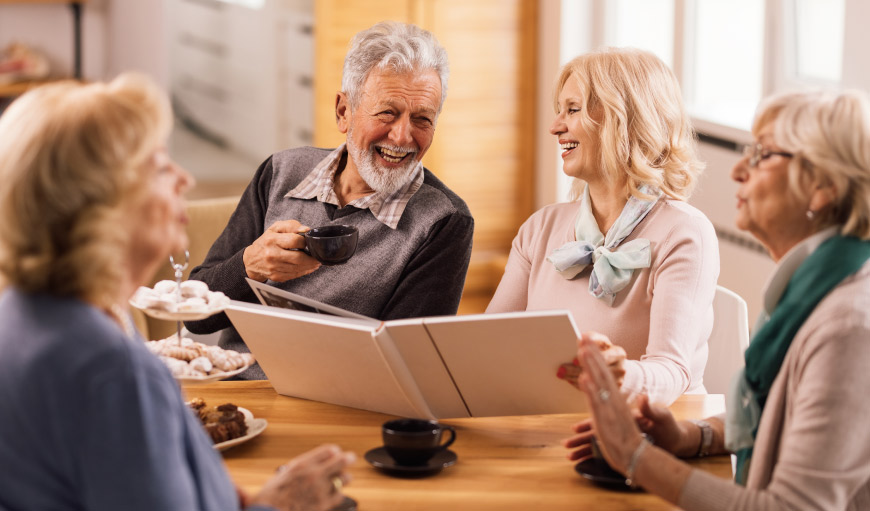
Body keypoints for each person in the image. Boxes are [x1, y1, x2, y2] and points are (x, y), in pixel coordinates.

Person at [0, 75, 354, 511]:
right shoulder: (112, 373)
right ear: (102, 204)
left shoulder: (25, 313)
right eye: (161, 166)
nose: (185, 179)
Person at [566, 89, 870, 510]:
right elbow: (786, 417)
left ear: (822, 186)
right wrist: (694, 435)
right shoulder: (815, 287)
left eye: (762, 154)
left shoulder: (849, 327)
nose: (738, 170)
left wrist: (635, 456)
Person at [186, 21, 474, 380]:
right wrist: (249, 265)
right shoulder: (279, 172)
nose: (403, 136)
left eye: (422, 119)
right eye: (387, 112)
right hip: (236, 391)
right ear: (343, 112)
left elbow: (407, 368)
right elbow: (195, 316)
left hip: (336, 406)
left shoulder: (443, 221)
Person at [486, 48, 719, 404]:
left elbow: (672, 372)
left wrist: (620, 375)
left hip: (653, 432)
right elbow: (489, 341)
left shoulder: (685, 233)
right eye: (559, 110)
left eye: (572, 109)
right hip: (552, 425)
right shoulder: (540, 228)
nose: (555, 126)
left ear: (623, 119)